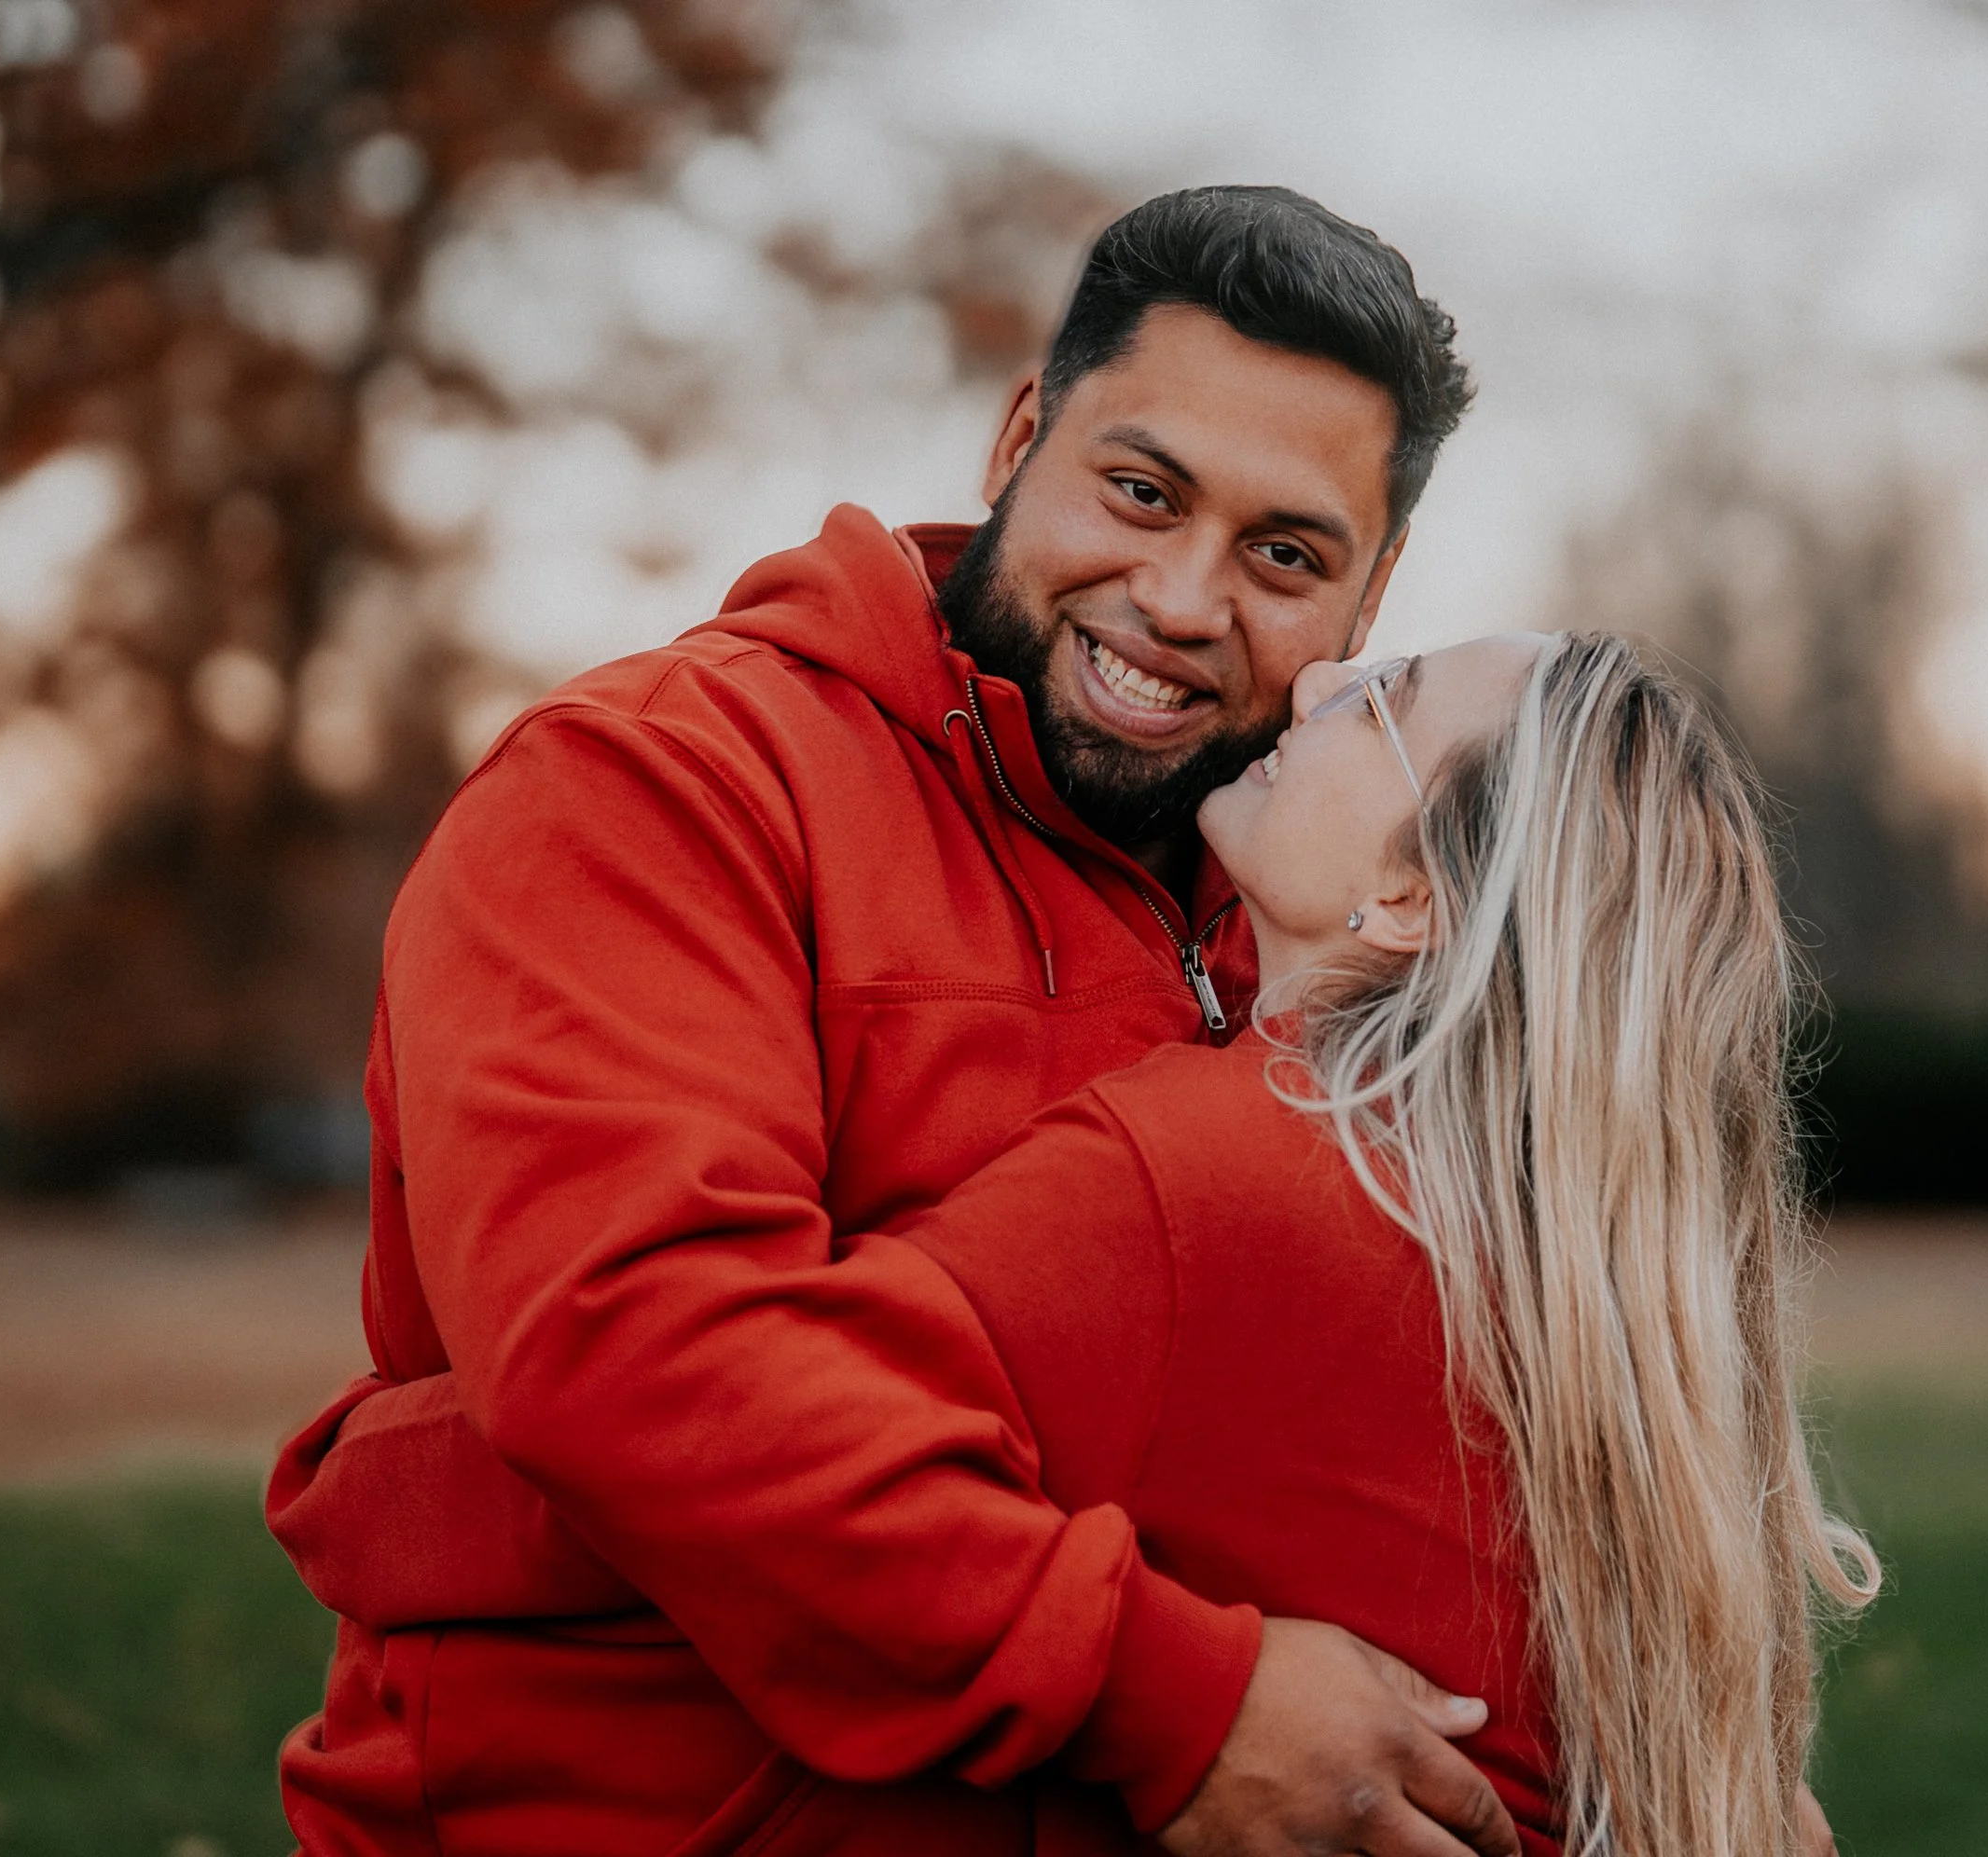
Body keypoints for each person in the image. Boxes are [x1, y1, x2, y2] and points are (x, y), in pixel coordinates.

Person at [268, 186, 1522, 1857]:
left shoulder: (1307, 913)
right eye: (1139, 492)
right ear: (1018, 439)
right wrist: (1165, 1690)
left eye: (1283, 554)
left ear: (1365, 607)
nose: (1178, 597)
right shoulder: (661, 781)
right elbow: (639, 1352)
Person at [877, 630, 1884, 1856]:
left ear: (1413, 898)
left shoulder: (1207, 1171)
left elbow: (774, 1449)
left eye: (1380, 702)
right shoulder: (1550, 1247)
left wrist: (1168, 1690)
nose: (1314, 682)